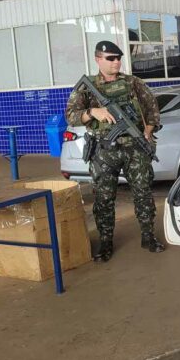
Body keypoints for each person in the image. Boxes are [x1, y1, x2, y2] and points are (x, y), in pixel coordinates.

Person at [65, 40, 165, 263]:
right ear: (98, 59)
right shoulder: (87, 86)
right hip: (104, 150)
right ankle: (106, 242)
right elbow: (71, 116)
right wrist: (93, 112)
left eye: (118, 58)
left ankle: (148, 236)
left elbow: (152, 110)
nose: (116, 62)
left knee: (143, 194)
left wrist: (147, 131)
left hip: (134, 148)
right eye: (111, 58)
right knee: (104, 198)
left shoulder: (133, 83)